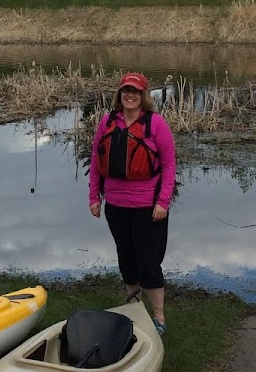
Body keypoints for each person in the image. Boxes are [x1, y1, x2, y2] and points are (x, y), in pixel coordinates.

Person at [88, 72, 177, 336]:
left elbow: (170, 164)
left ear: (143, 96)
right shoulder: (107, 121)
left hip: (148, 205)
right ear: (120, 94)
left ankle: (159, 316)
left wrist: (163, 201)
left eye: (135, 92)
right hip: (116, 204)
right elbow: (95, 159)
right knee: (126, 259)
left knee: (148, 262)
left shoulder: (155, 124)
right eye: (126, 90)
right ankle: (134, 309)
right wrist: (94, 196)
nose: (130, 95)